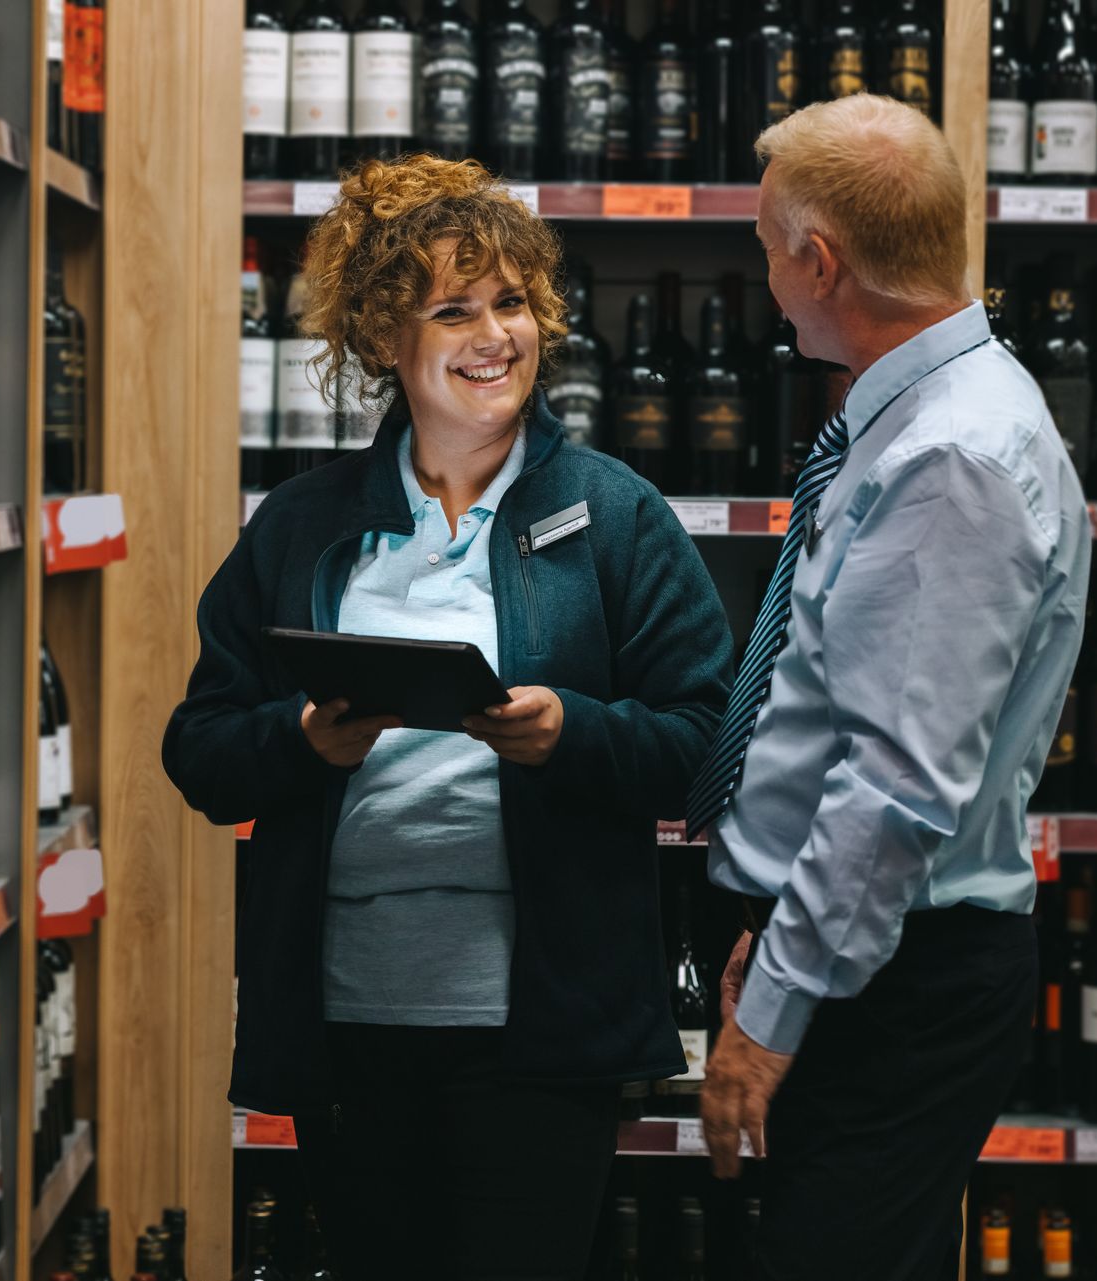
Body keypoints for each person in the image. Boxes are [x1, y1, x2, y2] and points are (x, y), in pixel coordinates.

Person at [163, 155, 731, 1281]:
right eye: (454, 308)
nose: (494, 335)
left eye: (513, 303)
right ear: (385, 339)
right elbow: (202, 747)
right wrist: (301, 742)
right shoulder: (303, 526)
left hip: (541, 1031)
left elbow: (708, 740)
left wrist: (574, 731)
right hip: (347, 1024)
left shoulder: (616, 515)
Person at [688, 95, 1091, 1280]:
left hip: (890, 985)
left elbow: (898, 788)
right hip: (853, 954)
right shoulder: (922, 411)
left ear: (818, 262)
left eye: (766, 247)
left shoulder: (950, 457)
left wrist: (775, 1009)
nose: (764, 272)